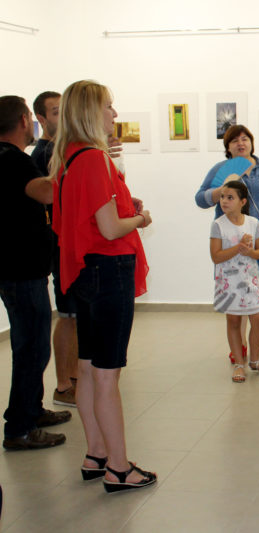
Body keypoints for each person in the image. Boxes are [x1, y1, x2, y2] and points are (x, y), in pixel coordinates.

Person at [51, 80, 156, 492]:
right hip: (109, 270)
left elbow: (82, 220)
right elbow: (110, 228)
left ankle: (95, 453)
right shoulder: (94, 158)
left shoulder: (68, 157)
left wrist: (125, 208)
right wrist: (140, 219)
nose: (114, 114)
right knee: (108, 375)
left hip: (84, 271)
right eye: (108, 106)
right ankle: (118, 467)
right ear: (90, 112)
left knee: (88, 368)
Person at [0, 95, 71, 450]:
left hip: (18, 267)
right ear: (25, 120)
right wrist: (68, 164)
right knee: (32, 348)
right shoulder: (12, 159)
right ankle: (20, 428)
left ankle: (31, 410)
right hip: (21, 270)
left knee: (30, 345)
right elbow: (46, 193)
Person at [196, 125, 259, 358]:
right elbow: (200, 199)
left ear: (252, 142)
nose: (241, 143)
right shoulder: (221, 170)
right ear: (227, 147)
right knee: (237, 286)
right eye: (235, 140)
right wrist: (220, 190)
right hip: (231, 240)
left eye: (245, 138)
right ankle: (240, 343)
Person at [31, 90, 79, 408]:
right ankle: (64, 386)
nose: (62, 118)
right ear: (40, 118)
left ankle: (73, 380)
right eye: (55, 112)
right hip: (58, 247)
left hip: (67, 245)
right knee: (68, 316)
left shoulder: (60, 150)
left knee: (74, 316)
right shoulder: (43, 154)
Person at [210, 180, 259, 382]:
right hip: (229, 283)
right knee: (234, 321)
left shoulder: (253, 223)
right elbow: (216, 256)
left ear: (242, 201)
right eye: (222, 197)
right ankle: (239, 363)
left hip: (250, 282)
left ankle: (255, 361)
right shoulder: (218, 225)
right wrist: (238, 248)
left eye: (230, 197)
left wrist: (249, 251)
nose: (224, 201)